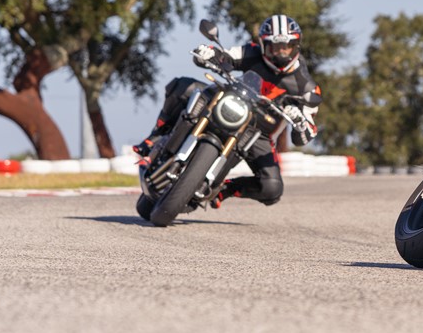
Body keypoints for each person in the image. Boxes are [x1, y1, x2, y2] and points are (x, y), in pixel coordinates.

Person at [134, 14, 321, 208]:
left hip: (259, 133)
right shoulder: (252, 52)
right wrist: (208, 53)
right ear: (264, 45)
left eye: (286, 47)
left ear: (296, 46)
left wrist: (300, 122)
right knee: (182, 86)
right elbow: (226, 56)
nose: (280, 53)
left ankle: (224, 189)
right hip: (232, 99)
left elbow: (305, 135)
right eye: (274, 47)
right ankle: (155, 136)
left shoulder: (307, 87)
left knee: (272, 188)